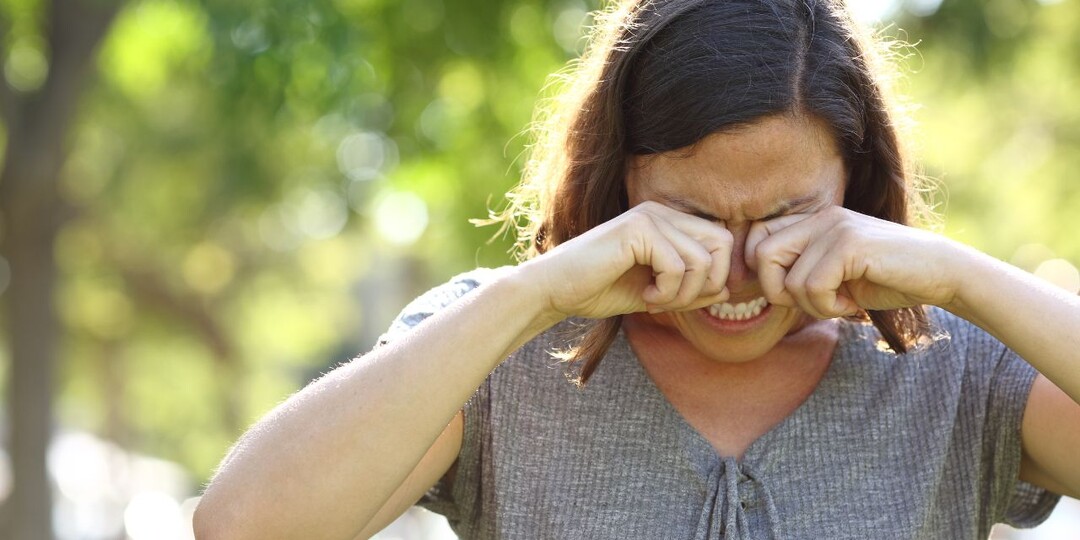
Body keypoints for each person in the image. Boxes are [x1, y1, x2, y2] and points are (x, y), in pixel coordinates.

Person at [193, 0, 1080, 538]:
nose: (739, 272)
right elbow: (243, 528)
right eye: (694, 217)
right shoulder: (499, 350)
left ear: (855, 179)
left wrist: (965, 278)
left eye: (785, 216)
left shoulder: (956, 359)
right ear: (622, 180)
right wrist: (537, 291)